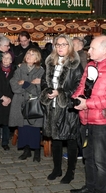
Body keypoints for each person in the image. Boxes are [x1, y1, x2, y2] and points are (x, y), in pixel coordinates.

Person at [70, 35, 106, 193]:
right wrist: (76, 99)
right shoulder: (91, 64)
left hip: (103, 122)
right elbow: (82, 86)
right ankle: (90, 187)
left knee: (101, 161)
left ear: (104, 50)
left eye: (92, 48)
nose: (88, 50)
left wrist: (87, 104)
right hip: (86, 118)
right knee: (88, 157)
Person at [39, 34, 83, 184]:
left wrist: (61, 92)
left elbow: (79, 86)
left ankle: (70, 172)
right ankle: (57, 168)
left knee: (71, 140)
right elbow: (44, 82)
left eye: (64, 44)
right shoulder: (50, 62)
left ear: (69, 46)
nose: (60, 47)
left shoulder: (75, 64)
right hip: (52, 107)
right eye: (58, 44)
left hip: (68, 107)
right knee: (55, 139)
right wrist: (48, 91)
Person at [9, 48, 44, 162]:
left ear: (36, 59)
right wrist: (28, 86)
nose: (29, 55)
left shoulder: (41, 71)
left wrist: (24, 83)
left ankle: (37, 151)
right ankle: (26, 150)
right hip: (20, 102)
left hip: (34, 103)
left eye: (32, 54)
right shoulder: (20, 68)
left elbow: (38, 90)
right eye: (28, 53)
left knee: (34, 128)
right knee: (23, 127)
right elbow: (13, 85)